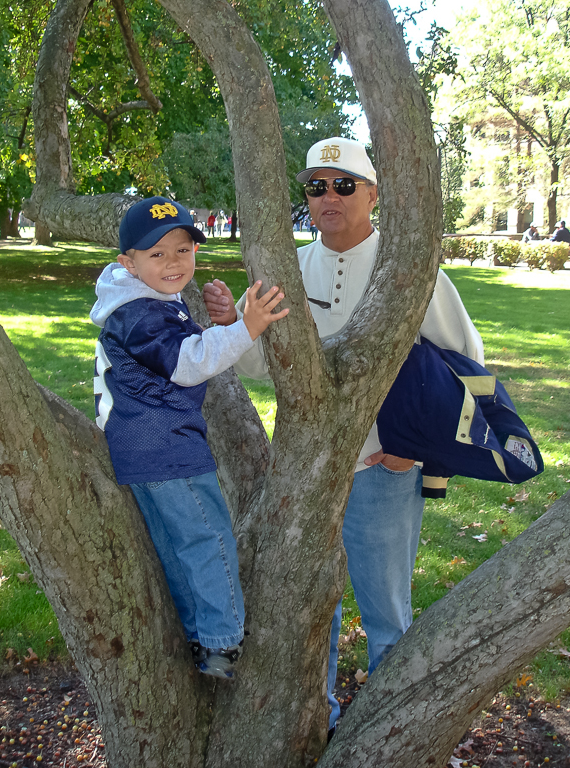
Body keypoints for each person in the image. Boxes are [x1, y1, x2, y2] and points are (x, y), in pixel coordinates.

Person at [202, 137, 483, 729]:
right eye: (316, 186)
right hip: (304, 473)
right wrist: (235, 327)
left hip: (383, 468)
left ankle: (388, 729)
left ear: (373, 194)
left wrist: (420, 454)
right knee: (307, 610)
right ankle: (319, 721)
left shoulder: (406, 267)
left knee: (386, 615)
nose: (328, 197)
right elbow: (262, 367)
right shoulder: (292, 266)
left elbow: (467, 361)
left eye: (344, 185)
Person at [90, 196, 288, 679]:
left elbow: (173, 349)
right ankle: (223, 640)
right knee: (207, 536)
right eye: (156, 255)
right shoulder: (138, 312)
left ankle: (199, 635)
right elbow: (187, 362)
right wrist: (248, 327)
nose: (174, 263)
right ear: (128, 264)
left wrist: (220, 322)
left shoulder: (138, 301)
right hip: (167, 443)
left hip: (138, 444)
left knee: (178, 542)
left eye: (183, 250)